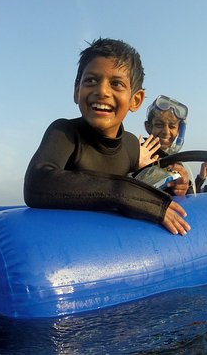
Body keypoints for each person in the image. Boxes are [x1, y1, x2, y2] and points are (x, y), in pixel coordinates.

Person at [23, 38, 190, 235]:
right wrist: (123, 193)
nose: (102, 91)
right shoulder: (65, 133)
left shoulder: (130, 145)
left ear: (135, 100)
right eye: (91, 80)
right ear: (77, 91)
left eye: (116, 84)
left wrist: (177, 178)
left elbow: (152, 180)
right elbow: (37, 183)